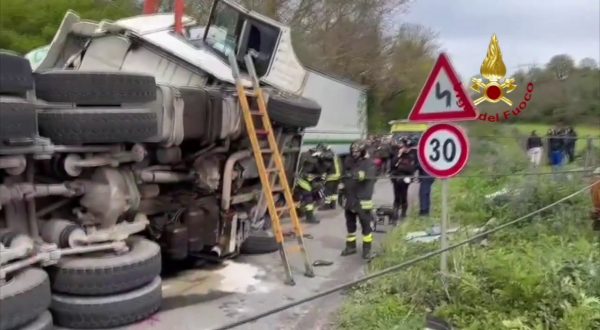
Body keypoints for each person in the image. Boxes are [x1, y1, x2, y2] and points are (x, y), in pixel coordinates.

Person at [340, 140, 376, 260]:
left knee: (366, 226)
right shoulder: (348, 160)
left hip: (363, 200)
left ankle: (367, 250)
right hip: (350, 198)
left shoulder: (369, 163)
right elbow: (343, 175)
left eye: (357, 151)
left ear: (363, 151)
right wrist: (341, 191)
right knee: (350, 225)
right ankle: (351, 247)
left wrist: (356, 174)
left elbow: (365, 176)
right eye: (353, 151)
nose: (354, 153)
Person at [390, 137, 416, 222]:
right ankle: (395, 213)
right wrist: (398, 156)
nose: (405, 149)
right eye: (404, 147)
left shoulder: (411, 156)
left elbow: (410, 169)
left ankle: (403, 213)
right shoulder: (397, 155)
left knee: (404, 195)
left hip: (406, 178)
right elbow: (393, 166)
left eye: (406, 147)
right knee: (397, 196)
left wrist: (401, 167)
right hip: (396, 178)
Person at [319, 145, 342, 210]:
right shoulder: (334, 154)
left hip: (332, 176)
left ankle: (327, 205)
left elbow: (326, 166)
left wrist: (321, 155)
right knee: (334, 192)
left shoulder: (329, 155)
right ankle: (333, 205)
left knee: (328, 191)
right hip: (338, 175)